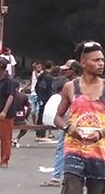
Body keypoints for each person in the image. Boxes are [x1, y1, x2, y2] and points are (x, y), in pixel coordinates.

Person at [53, 41, 105, 194]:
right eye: (96, 60)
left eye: (102, 60)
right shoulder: (70, 87)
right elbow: (58, 117)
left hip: (99, 152)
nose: (101, 64)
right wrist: (69, 129)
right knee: (72, 190)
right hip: (74, 150)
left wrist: (101, 133)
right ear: (84, 63)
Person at [41, 60, 82, 188]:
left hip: (71, 122)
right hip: (73, 122)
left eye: (66, 69)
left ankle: (57, 177)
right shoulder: (81, 84)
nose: (64, 71)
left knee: (63, 150)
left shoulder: (71, 85)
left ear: (72, 70)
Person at [35, 61, 56, 142]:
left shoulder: (41, 76)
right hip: (46, 98)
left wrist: (39, 95)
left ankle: (39, 134)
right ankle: (41, 134)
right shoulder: (49, 77)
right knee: (44, 116)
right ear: (51, 67)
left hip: (41, 97)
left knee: (40, 115)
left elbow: (37, 87)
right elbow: (50, 89)